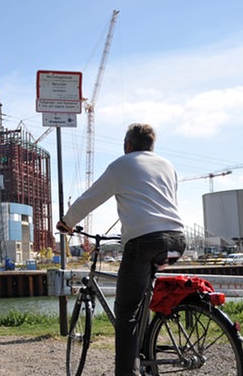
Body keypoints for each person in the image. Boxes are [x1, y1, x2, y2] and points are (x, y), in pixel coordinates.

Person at [56, 123, 186, 376]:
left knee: (126, 310)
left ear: (127, 144)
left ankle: (127, 373)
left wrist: (67, 223)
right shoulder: (168, 166)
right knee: (142, 301)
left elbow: (89, 198)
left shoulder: (122, 164)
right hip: (176, 239)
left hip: (144, 241)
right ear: (151, 145)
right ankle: (146, 359)